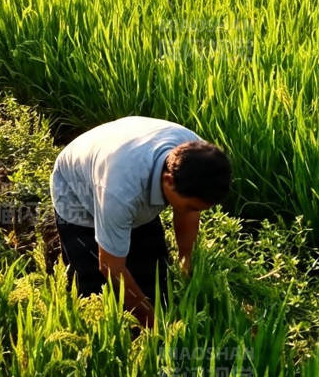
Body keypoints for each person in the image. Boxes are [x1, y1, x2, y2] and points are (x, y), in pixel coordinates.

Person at [50, 116, 231, 327]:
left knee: (158, 284)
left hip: (125, 155)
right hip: (77, 191)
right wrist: (150, 322)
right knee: (96, 296)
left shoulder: (197, 158)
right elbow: (110, 266)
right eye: (192, 206)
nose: (194, 211)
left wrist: (185, 260)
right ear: (168, 181)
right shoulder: (120, 193)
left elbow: (189, 213)